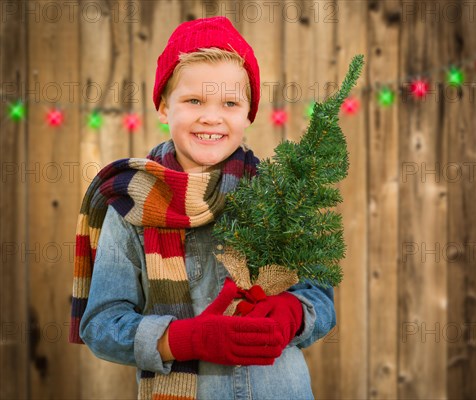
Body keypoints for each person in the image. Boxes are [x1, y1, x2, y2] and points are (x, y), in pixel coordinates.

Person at [70, 16, 336, 400]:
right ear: (163, 106)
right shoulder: (133, 203)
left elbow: (320, 300)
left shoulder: (281, 194)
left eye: (230, 102)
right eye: (194, 100)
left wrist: (293, 314)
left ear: (248, 113)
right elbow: (101, 325)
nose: (211, 117)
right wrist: (185, 339)